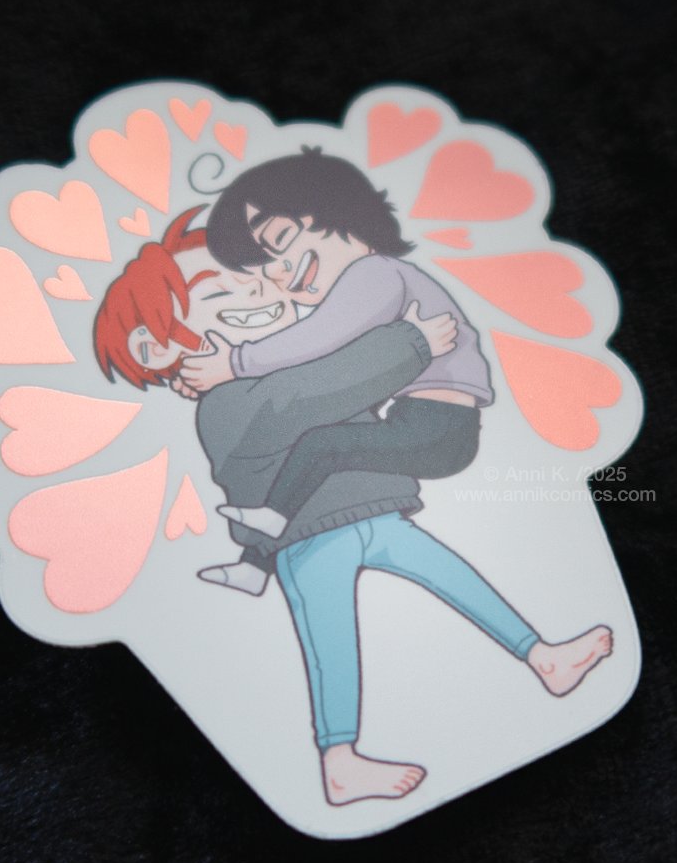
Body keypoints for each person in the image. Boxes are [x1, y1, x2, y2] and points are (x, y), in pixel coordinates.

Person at [94, 212, 614, 807]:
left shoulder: (271, 363)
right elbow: (311, 392)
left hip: (373, 509)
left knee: (451, 574)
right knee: (330, 638)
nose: (260, 291)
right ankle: (339, 761)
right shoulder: (224, 402)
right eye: (221, 292)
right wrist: (412, 343)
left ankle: (542, 656)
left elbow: (327, 365)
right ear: (155, 346)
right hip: (308, 534)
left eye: (255, 276)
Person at [179, 148, 492, 596]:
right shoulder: (372, 280)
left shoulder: (376, 272)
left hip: (441, 426)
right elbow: (332, 363)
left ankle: (265, 538)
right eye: (263, 269)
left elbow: (318, 339)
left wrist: (236, 362)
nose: (278, 273)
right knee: (317, 455)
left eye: (280, 238)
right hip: (421, 421)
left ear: (339, 212)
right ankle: (256, 563)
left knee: (321, 447)